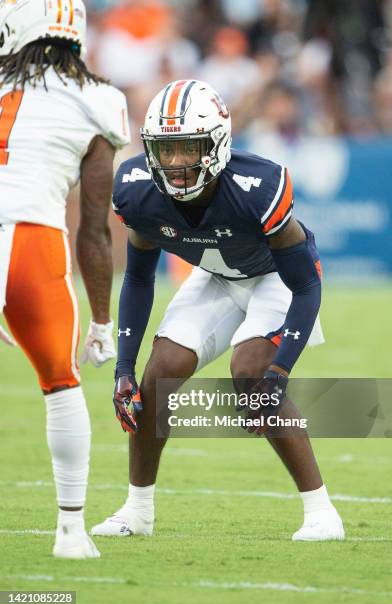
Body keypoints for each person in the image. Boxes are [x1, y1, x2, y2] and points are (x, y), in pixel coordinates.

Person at [91, 79, 344, 542]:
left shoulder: (256, 186)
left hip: (275, 279)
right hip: (215, 278)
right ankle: (137, 511)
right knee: (157, 375)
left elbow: (306, 284)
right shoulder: (137, 190)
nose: (177, 163)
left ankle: (321, 511)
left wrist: (281, 369)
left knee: (251, 374)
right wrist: (123, 368)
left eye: (189, 149)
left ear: (218, 142)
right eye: (166, 151)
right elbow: (141, 277)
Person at [0, 0, 129, 558]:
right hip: (33, 242)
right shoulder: (98, 99)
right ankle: (71, 532)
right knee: (61, 386)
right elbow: (95, 230)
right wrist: (103, 320)